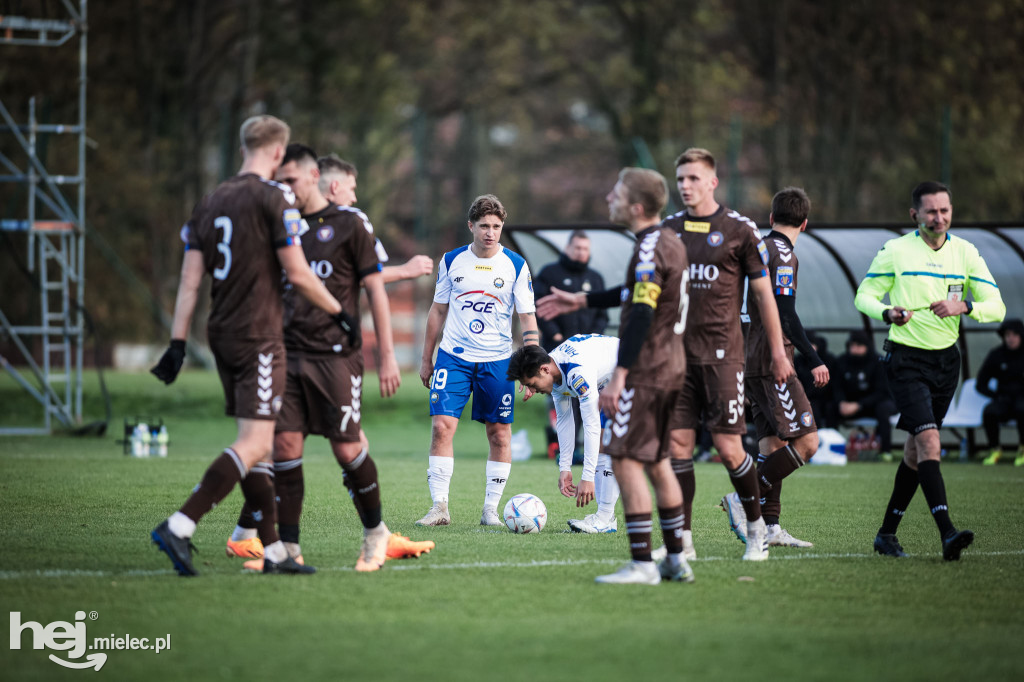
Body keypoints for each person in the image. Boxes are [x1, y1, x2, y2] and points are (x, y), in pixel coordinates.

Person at [149, 115, 351, 576]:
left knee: (254, 442)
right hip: (259, 334)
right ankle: (180, 525)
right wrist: (340, 314)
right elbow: (299, 273)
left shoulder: (211, 199)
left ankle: (275, 550)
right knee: (256, 442)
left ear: (244, 147)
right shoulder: (274, 196)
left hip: (219, 332)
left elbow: (189, 278)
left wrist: (177, 342)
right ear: (278, 153)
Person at [225, 143, 433, 573]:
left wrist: (389, 356)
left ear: (315, 180)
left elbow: (370, 282)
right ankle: (285, 550)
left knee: (348, 448)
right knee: (283, 446)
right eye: (278, 181)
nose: (282, 188)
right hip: (286, 354)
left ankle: (376, 533)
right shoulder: (280, 223)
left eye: (289, 181)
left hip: (335, 358)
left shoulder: (349, 223)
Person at [856, 181, 1005, 561]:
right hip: (905, 360)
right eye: (931, 212)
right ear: (914, 215)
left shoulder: (966, 252)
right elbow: (864, 296)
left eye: (944, 211)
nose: (939, 218)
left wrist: (965, 308)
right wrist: (888, 312)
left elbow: (997, 307)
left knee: (913, 452)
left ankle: (886, 535)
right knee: (930, 443)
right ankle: (948, 534)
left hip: (946, 362)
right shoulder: (895, 251)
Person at [664, 148, 794, 561]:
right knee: (678, 446)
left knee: (729, 449)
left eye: (693, 179)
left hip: (723, 358)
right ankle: (682, 542)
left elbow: (765, 296)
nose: (685, 186)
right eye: (680, 179)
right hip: (678, 359)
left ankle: (756, 530)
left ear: (713, 182)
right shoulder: (668, 230)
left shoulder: (739, 230)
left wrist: (777, 352)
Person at [591, 167, 691, 585]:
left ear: (635, 206)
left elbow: (643, 312)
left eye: (616, 192)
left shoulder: (650, 247)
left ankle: (642, 564)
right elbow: (636, 293)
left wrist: (620, 376)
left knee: (624, 457)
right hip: (672, 368)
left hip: (647, 372)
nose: (609, 197)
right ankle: (674, 559)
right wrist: (581, 297)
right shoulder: (670, 242)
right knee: (658, 461)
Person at [417, 194, 539, 526]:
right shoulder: (451, 260)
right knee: (442, 427)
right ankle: (440, 508)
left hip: (497, 360)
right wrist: (426, 358)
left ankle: (490, 510)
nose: (490, 232)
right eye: (483, 225)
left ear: (502, 228)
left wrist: (530, 366)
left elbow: (527, 318)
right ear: (471, 226)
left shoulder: (515, 264)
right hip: (453, 357)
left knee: (500, 434)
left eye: (496, 226)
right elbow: (437, 311)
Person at [729, 187, 829, 549]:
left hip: (746, 355)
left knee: (772, 444)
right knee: (807, 442)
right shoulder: (783, 254)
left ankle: (770, 527)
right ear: (805, 222)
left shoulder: (755, 247)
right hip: (773, 359)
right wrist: (813, 358)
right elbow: (785, 313)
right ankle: (744, 499)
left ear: (771, 218)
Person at [506, 336, 622, 533]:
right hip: (609, 379)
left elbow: (590, 423)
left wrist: (587, 477)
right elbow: (565, 421)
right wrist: (565, 467)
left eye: (532, 383)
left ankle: (605, 518)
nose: (532, 390)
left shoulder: (577, 373)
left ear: (544, 370)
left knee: (612, 441)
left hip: (637, 371)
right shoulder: (555, 371)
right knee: (604, 440)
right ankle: (605, 518)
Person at [534, 230, 608, 459]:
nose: (581, 252)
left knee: (589, 400)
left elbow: (602, 314)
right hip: (557, 353)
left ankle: (592, 450)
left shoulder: (595, 278)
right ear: (568, 248)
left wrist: (595, 340)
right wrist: (555, 336)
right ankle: (566, 449)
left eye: (585, 249)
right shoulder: (549, 273)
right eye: (577, 248)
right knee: (563, 401)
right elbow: (539, 308)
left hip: (588, 356)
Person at [317, 154, 433, 284]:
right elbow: (369, 276)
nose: (354, 198)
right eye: (351, 189)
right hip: (339, 304)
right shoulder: (353, 219)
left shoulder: (294, 218)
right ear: (335, 187)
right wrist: (405, 270)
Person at [834, 330, 898, 460]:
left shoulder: (878, 362)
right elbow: (836, 387)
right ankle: (832, 449)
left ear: (867, 346)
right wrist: (841, 402)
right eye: (852, 346)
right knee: (830, 408)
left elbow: (882, 391)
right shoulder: (841, 361)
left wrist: (859, 405)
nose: (855, 349)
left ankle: (885, 451)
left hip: (873, 404)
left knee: (883, 409)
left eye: (859, 346)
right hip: (849, 405)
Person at [977, 318, 1024, 466]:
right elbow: (980, 383)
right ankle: (995, 450)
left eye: (1015, 335)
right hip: (1003, 399)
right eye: (1008, 335)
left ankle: (1022, 449)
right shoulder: (997, 355)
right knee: (989, 412)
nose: (1011, 338)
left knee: (1023, 409)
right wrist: (995, 396)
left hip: (1022, 399)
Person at [795, 332, 839, 428]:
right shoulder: (798, 361)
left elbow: (836, 384)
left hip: (826, 399)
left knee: (830, 408)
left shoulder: (830, 360)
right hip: (807, 400)